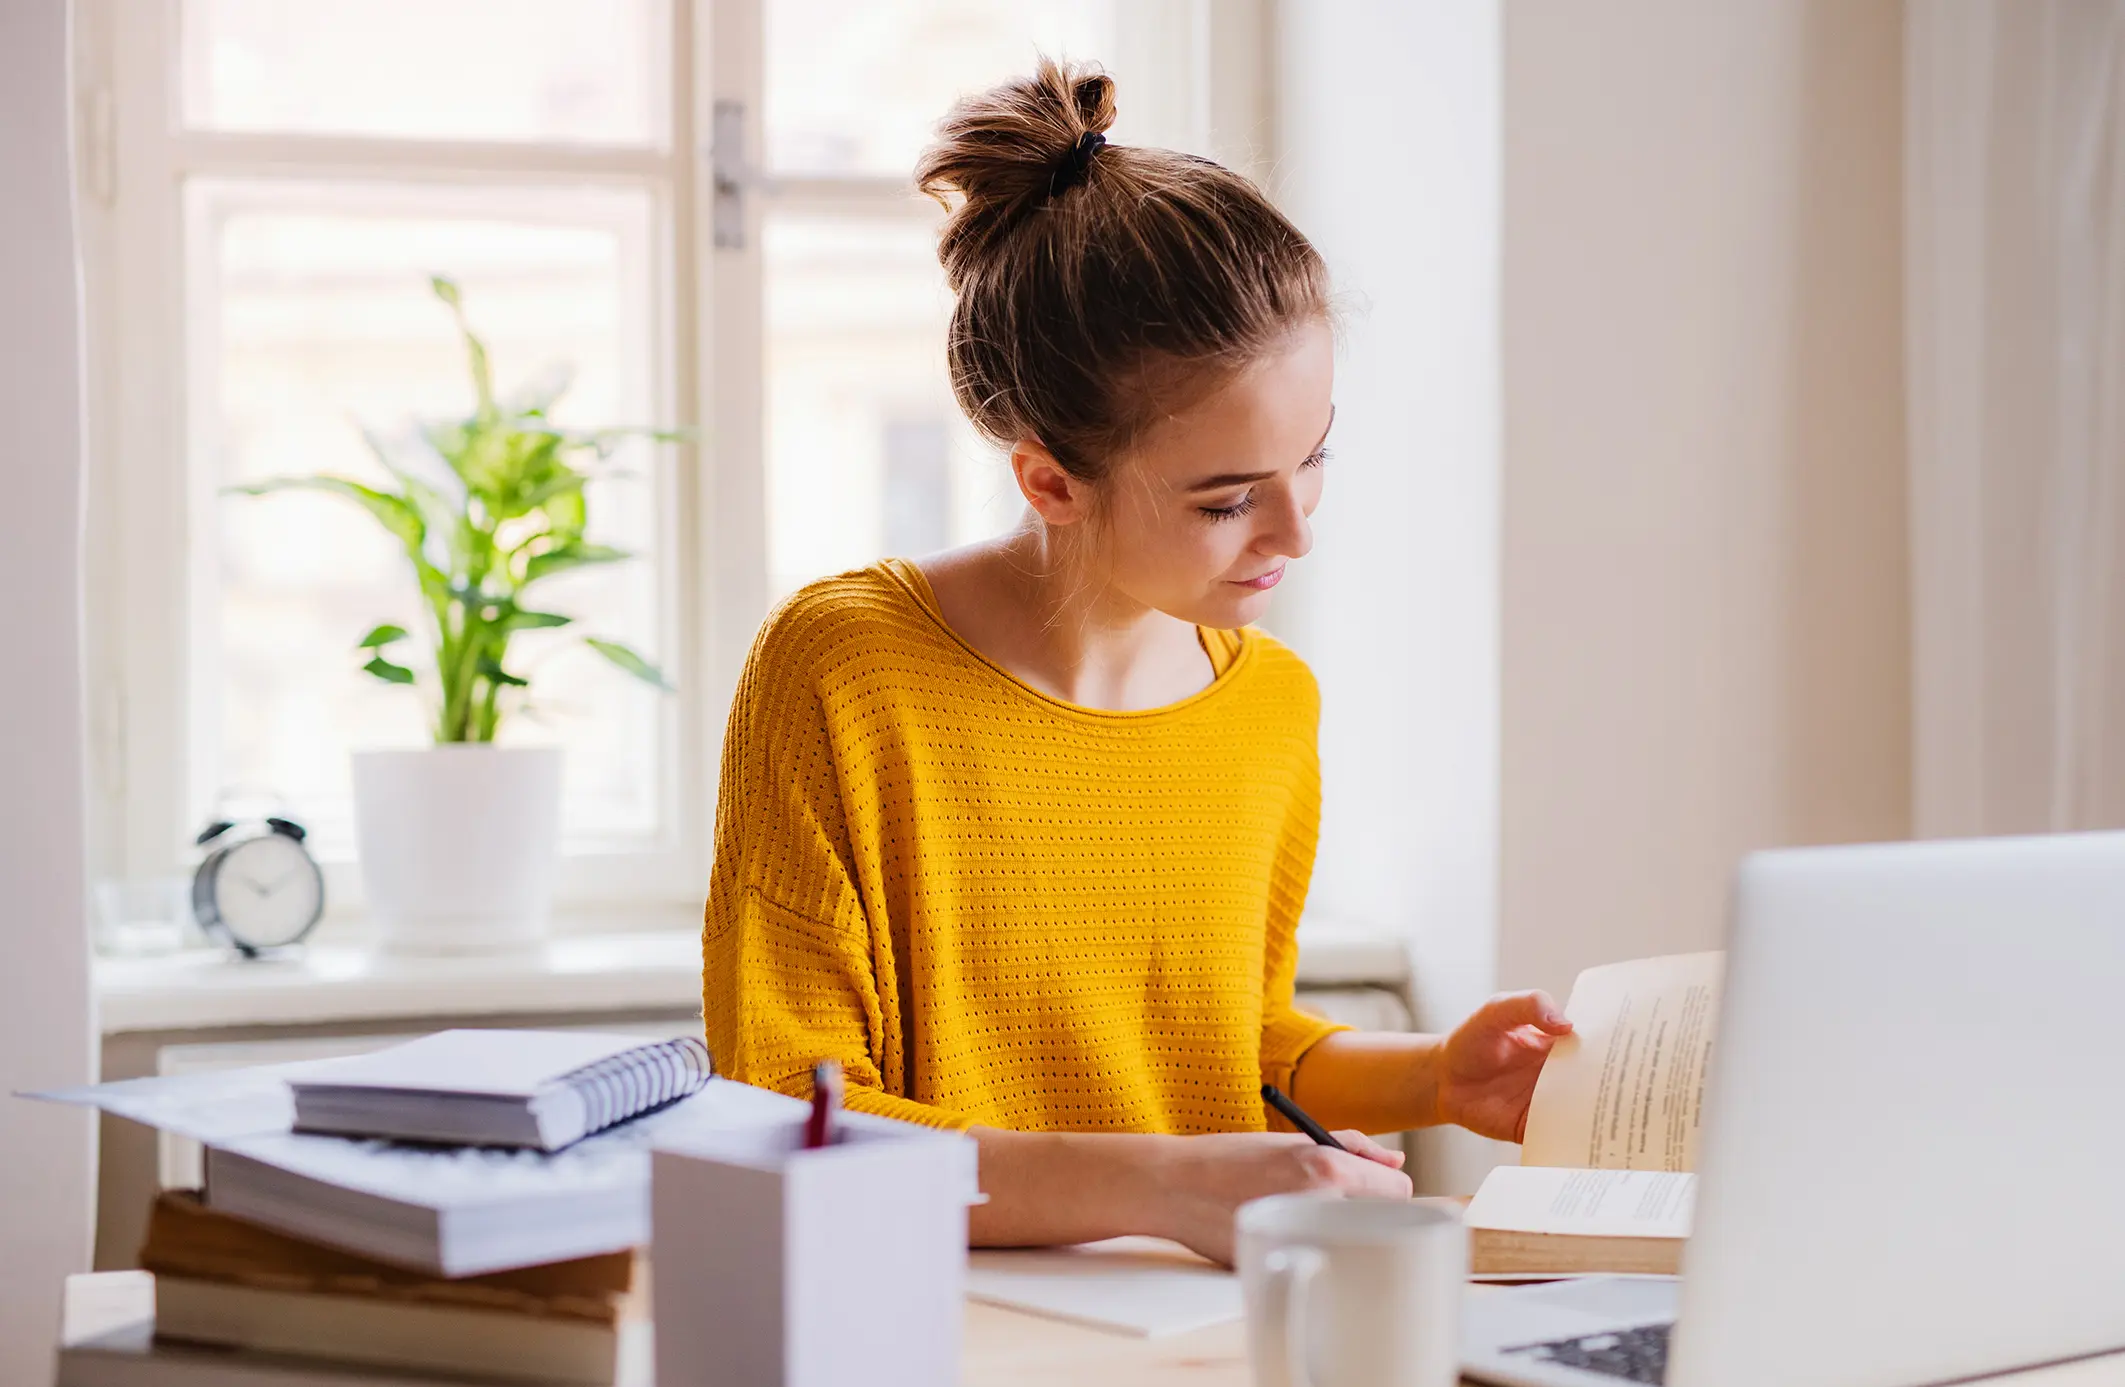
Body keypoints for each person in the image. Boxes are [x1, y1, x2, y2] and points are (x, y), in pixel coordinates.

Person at [701, 58, 1570, 1266]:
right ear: (1050, 481)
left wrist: (1433, 1076)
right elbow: (786, 1120)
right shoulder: (844, 672)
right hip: (929, 1317)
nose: (1296, 532)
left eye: (1314, 458)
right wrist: (1163, 1185)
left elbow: (1228, 1042)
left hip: (1194, 1319)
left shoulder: (1269, 707)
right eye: (1227, 501)